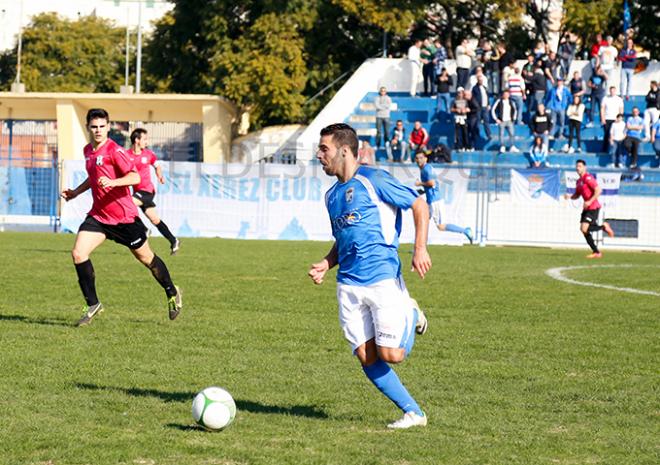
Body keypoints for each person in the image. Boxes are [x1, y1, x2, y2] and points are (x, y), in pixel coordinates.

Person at [309, 123, 431, 429]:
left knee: (392, 354)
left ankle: (412, 310)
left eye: (324, 149)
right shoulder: (331, 196)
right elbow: (346, 237)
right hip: (348, 285)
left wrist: (420, 249)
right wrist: (327, 262)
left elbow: (419, 204)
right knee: (366, 355)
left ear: (345, 150)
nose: (318, 154)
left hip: (382, 278)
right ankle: (413, 412)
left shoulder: (373, 179)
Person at [61, 108, 182, 326]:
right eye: (94, 126)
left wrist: (113, 182)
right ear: (88, 127)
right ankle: (93, 304)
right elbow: (94, 177)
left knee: (147, 259)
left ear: (108, 127)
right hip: (99, 216)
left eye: (102, 126)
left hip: (124, 218)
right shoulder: (88, 150)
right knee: (78, 254)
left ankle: (172, 291)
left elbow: (134, 176)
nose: (98, 130)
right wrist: (76, 193)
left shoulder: (115, 151)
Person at [128, 128, 180, 255]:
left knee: (127, 204)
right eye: (144, 139)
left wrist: (160, 176)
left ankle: (144, 230)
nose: (147, 141)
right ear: (137, 140)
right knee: (155, 220)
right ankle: (174, 240)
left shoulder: (148, 154)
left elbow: (157, 166)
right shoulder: (126, 155)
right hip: (138, 193)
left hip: (147, 191)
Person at [414, 151, 473, 242]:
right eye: (417, 158)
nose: (419, 160)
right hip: (430, 201)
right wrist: (418, 191)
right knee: (422, 221)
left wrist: (419, 184)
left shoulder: (426, 169)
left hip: (435, 201)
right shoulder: (426, 168)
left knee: (440, 226)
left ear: (426, 159)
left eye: (421, 158)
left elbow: (432, 183)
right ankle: (419, 245)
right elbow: (429, 186)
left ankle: (465, 231)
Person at [565, 160, 615, 259]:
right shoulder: (579, 181)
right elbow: (577, 195)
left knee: (585, 228)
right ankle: (596, 252)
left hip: (593, 207)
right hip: (587, 208)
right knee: (583, 230)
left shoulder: (588, 178)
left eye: (580, 166)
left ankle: (604, 227)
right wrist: (570, 196)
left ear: (584, 168)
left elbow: (598, 190)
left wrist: (589, 201)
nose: (577, 168)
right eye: (577, 166)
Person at [601, 86, 624, 153]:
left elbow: (621, 109)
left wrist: (620, 118)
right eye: (611, 91)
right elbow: (602, 108)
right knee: (607, 134)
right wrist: (603, 118)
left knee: (616, 134)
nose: (612, 92)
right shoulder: (605, 98)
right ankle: (605, 149)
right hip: (607, 118)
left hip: (615, 119)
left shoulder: (619, 99)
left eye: (613, 90)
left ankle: (616, 150)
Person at [471, 74, 491, 139]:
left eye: (481, 80)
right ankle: (477, 134)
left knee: (486, 121)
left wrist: (488, 104)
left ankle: (488, 134)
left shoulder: (484, 88)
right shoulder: (475, 88)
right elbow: (473, 97)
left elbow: (486, 97)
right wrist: (476, 105)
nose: (481, 81)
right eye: (479, 80)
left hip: (485, 107)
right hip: (478, 107)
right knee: (477, 121)